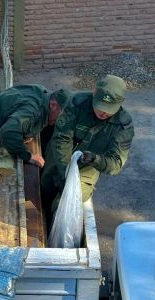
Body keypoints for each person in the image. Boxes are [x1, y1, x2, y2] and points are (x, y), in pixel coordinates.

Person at [41, 74, 134, 214]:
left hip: (87, 168)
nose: (103, 113)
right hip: (60, 157)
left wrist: (95, 159)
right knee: (43, 190)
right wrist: (65, 171)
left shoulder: (122, 126)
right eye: (100, 106)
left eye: (109, 109)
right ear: (94, 92)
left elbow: (115, 163)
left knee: (65, 203)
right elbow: (62, 138)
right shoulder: (77, 103)